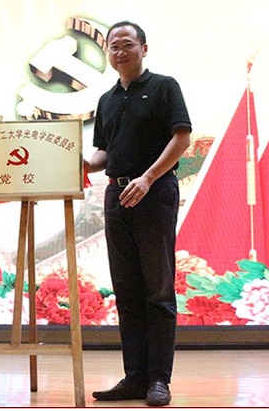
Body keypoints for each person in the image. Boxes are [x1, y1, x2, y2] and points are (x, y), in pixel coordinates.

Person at [85, 21, 191, 406]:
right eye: (114, 46)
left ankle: (159, 380)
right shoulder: (107, 99)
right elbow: (105, 152)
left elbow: (182, 138)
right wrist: (81, 165)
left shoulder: (164, 87)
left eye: (127, 44)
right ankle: (134, 378)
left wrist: (148, 178)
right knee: (126, 291)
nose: (120, 51)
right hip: (117, 197)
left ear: (143, 49)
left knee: (158, 291)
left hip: (154, 192)